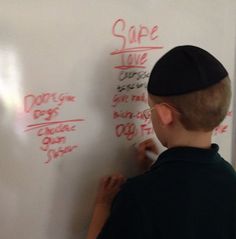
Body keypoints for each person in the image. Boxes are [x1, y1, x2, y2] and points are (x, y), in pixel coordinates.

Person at [86, 45, 236, 239]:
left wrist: (102, 205)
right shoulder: (229, 179)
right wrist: (153, 172)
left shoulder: (137, 196)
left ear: (165, 114)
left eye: (150, 109)